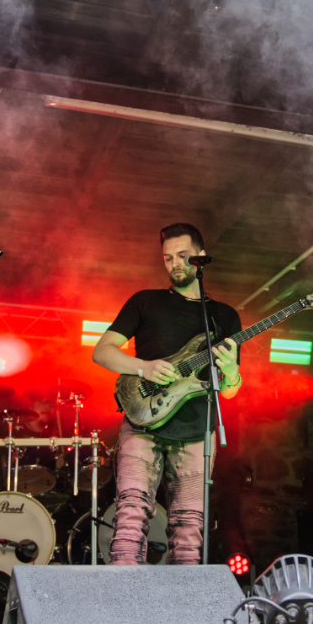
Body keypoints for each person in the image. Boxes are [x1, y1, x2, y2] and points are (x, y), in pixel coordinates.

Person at [92, 223, 241, 565]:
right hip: (143, 421)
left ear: (201, 257)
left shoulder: (223, 316)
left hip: (197, 431)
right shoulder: (146, 301)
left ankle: (182, 598)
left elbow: (230, 391)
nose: (174, 263)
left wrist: (232, 372)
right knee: (130, 515)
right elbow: (102, 352)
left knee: (189, 530)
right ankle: (123, 591)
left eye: (182, 256)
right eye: (167, 257)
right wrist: (143, 367)